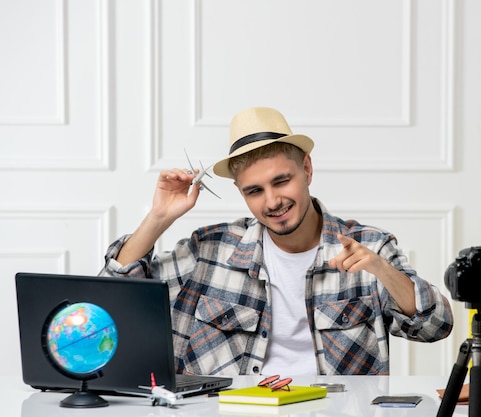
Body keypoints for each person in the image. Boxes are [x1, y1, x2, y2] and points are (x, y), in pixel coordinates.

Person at [99, 106, 454, 377]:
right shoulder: (209, 250)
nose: (272, 202)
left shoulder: (368, 247)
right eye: (255, 191)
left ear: (307, 170)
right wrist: (159, 217)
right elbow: (111, 303)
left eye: (281, 181)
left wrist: (381, 270)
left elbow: (436, 325)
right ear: (240, 193)